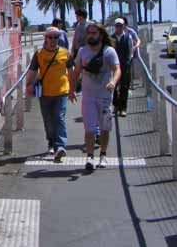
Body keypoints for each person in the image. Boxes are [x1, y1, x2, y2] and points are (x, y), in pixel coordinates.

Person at [71, 22, 121, 170]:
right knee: (90, 129)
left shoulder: (109, 51)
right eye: (89, 33)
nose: (91, 36)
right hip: (88, 97)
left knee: (105, 128)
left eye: (94, 33)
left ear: (100, 34)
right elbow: (76, 71)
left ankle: (103, 155)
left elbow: (117, 69)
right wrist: (71, 89)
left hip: (105, 96)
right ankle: (90, 157)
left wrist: (113, 81)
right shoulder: (82, 51)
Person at [26, 27, 75, 162]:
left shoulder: (65, 53)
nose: (53, 40)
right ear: (45, 38)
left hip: (61, 92)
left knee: (59, 118)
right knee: (48, 121)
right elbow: (32, 71)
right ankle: (51, 142)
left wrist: (72, 90)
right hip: (45, 93)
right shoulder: (39, 54)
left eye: (55, 37)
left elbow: (71, 72)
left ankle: (60, 146)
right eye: (50, 37)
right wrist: (29, 85)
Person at [111, 19, 133, 117]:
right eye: (117, 26)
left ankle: (123, 108)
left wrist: (128, 62)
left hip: (124, 65)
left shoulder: (128, 37)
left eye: (120, 25)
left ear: (123, 26)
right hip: (113, 66)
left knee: (124, 87)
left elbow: (131, 51)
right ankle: (116, 105)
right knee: (114, 87)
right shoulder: (111, 38)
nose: (118, 28)